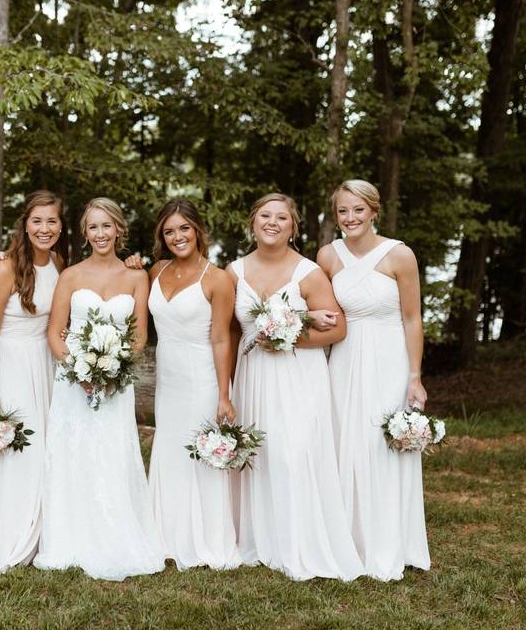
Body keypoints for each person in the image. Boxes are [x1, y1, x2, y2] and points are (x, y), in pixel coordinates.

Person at [226, 192, 364, 581]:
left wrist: (287, 337)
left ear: (293, 226)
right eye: (265, 215)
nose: (272, 222)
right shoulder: (233, 271)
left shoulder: (308, 272)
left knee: (293, 452)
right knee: (262, 453)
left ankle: (300, 542)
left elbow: (338, 328)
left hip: (298, 374)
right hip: (253, 376)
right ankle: (261, 540)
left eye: (281, 218)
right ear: (252, 222)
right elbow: (231, 329)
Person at [33, 197, 165, 580]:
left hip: (116, 381)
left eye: (107, 226)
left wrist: (114, 369)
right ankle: (70, 536)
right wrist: (80, 370)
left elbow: (139, 335)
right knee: (74, 451)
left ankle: (115, 532)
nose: (101, 233)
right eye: (93, 227)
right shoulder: (70, 275)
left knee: (112, 450)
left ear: (119, 229)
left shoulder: (137, 276)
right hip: (74, 381)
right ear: (84, 232)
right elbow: (56, 333)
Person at [315, 179, 430, 581]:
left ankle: (388, 542)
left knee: (381, 444)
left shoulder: (399, 255)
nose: (350, 218)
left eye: (358, 210)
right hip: (343, 358)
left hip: (388, 358)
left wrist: (415, 376)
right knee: (343, 440)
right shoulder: (328, 255)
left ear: (374, 211)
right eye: (343, 211)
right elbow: (321, 308)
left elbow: (412, 318)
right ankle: (345, 540)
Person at [142, 198, 241, 570]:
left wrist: (224, 394)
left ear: (198, 230)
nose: (177, 236)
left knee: (200, 455)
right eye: (169, 231)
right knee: (169, 448)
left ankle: (206, 540)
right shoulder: (155, 271)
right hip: (168, 375)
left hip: (201, 375)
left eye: (184, 228)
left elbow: (221, 338)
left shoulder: (217, 279)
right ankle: (165, 535)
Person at [0, 190, 65, 571]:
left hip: (46, 366)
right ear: (24, 224)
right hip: (9, 365)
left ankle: (39, 531)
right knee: (15, 451)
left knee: (43, 449)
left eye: (52, 221)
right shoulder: (5, 268)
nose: (44, 228)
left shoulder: (58, 262)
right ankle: (2, 538)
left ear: (61, 225)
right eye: (37, 221)